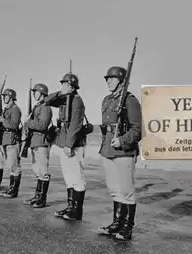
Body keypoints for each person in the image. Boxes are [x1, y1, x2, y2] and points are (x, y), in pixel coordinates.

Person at [97, 66, 142, 242]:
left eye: (112, 78)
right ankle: (116, 223)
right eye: (107, 78)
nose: (108, 81)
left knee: (126, 191)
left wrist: (122, 140)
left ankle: (127, 227)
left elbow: (137, 129)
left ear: (122, 81)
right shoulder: (107, 100)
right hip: (108, 149)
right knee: (114, 190)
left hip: (124, 151)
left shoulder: (130, 101)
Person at [44, 73, 87, 220]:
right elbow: (47, 100)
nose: (61, 86)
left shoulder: (77, 101)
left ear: (72, 86)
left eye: (64, 84)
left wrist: (69, 145)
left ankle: (77, 210)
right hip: (65, 143)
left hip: (74, 144)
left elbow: (75, 125)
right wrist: (60, 93)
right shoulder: (64, 99)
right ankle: (70, 207)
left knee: (77, 177)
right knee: (69, 177)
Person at [22, 83, 53, 208]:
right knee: (37, 170)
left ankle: (42, 198)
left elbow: (42, 125)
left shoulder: (45, 107)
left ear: (42, 93)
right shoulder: (38, 107)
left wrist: (28, 122)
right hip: (35, 141)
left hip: (41, 141)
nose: (34, 94)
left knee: (43, 171)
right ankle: (37, 196)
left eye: (36, 92)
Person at [0, 88, 23, 198]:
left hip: (12, 139)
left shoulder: (15, 109)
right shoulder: (6, 109)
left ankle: (14, 190)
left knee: (14, 166)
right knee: (10, 165)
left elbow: (14, 125)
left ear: (11, 97)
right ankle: (11, 188)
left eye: (6, 96)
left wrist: (3, 120)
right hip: (6, 139)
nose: (4, 98)